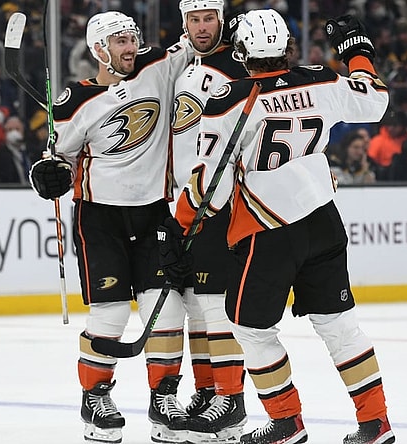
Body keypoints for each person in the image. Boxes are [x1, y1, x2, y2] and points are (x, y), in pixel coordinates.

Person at [165, 10, 395, 444]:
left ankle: (287, 421)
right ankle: (375, 422)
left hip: (267, 229)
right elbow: (374, 100)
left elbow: (209, 190)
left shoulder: (230, 99)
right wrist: (357, 52)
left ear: (240, 51)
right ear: (286, 48)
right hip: (323, 220)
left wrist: (179, 230)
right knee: (340, 326)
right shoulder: (320, 80)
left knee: (250, 329)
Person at [26, 11, 194, 444]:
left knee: (167, 309)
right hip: (99, 218)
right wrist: (45, 174)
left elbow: (196, 41)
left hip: (154, 212)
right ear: (98, 49)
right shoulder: (73, 101)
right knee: (112, 312)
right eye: (118, 41)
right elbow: (55, 158)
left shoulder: (159, 66)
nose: (129, 48)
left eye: (131, 39)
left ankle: (164, 401)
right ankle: (95, 397)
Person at [170, 1, 249, 442]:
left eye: (209, 19)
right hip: (186, 201)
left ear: (223, 20)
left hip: (219, 202)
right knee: (199, 306)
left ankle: (230, 401)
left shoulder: (237, 69)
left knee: (216, 305)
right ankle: (207, 391)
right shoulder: (185, 66)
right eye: (194, 20)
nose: (202, 27)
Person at [0, 116, 35, 184]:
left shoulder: (34, 151)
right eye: (10, 130)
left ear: (23, 130)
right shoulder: (0, 156)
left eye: (17, 129)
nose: (14, 133)